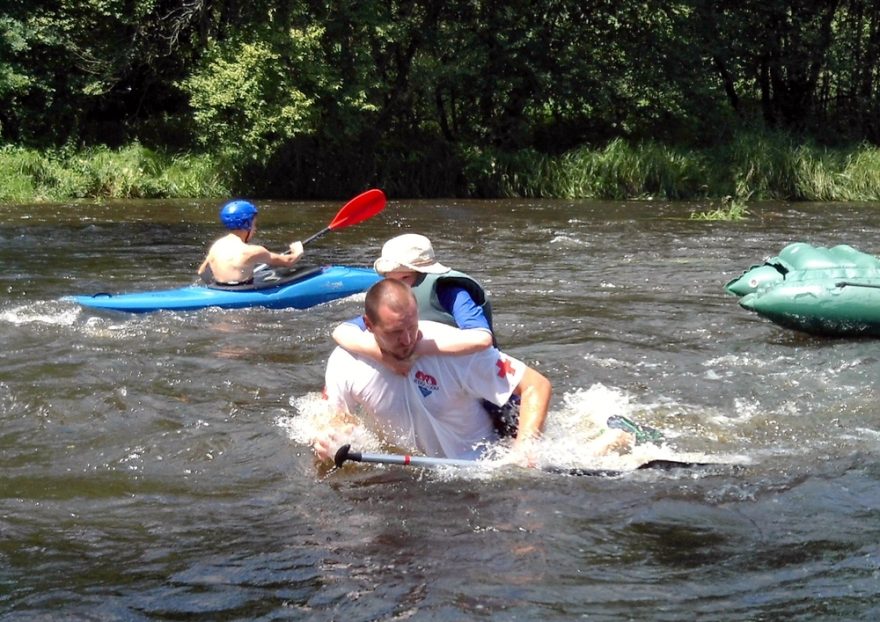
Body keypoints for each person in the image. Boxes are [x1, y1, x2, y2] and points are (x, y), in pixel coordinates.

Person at [311, 279, 635, 466]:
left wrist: (524, 450)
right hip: (424, 477)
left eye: (412, 326)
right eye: (396, 333)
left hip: (485, 465)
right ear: (368, 326)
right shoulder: (345, 362)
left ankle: (612, 439)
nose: (409, 339)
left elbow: (536, 385)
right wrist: (330, 441)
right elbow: (337, 418)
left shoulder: (454, 349)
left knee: (574, 455)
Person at [332, 233, 494, 370]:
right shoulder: (391, 303)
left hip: (471, 373)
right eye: (392, 279)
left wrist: (415, 349)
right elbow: (341, 331)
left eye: (405, 277)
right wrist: (384, 356)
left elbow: (482, 338)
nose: (399, 287)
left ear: (423, 274)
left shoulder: (449, 290)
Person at [198, 199, 305, 286]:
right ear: (247, 225)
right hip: (241, 297)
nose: (255, 229)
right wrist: (298, 251)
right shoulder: (253, 251)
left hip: (220, 291)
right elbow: (288, 261)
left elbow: (202, 272)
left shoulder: (217, 246)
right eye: (254, 224)